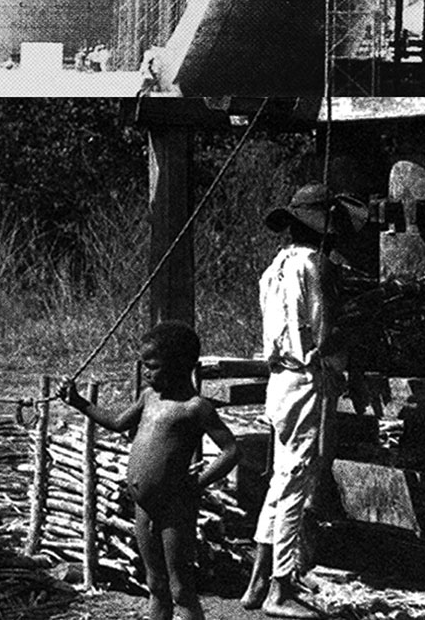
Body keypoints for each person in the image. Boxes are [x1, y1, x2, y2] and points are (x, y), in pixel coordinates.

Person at [60, 321, 240, 620]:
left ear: (181, 366)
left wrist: (197, 483)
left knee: (181, 589)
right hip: (144, 506)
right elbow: (118, 423)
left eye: (153, 366)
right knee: (155, 583)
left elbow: (231, 450)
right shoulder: (148, 398)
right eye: (144, 365)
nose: (146, 372)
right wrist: (79, 402)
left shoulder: (195, 408)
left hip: (175, 509)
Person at [241, 183, 364, 618]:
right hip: (305, 377)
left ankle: (257, 582)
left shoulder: (274, 267)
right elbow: (325, 334)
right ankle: (281, 589)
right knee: (296, 482)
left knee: (278, 482)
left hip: (279, 381)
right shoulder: (316, 266)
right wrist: (355, 331)